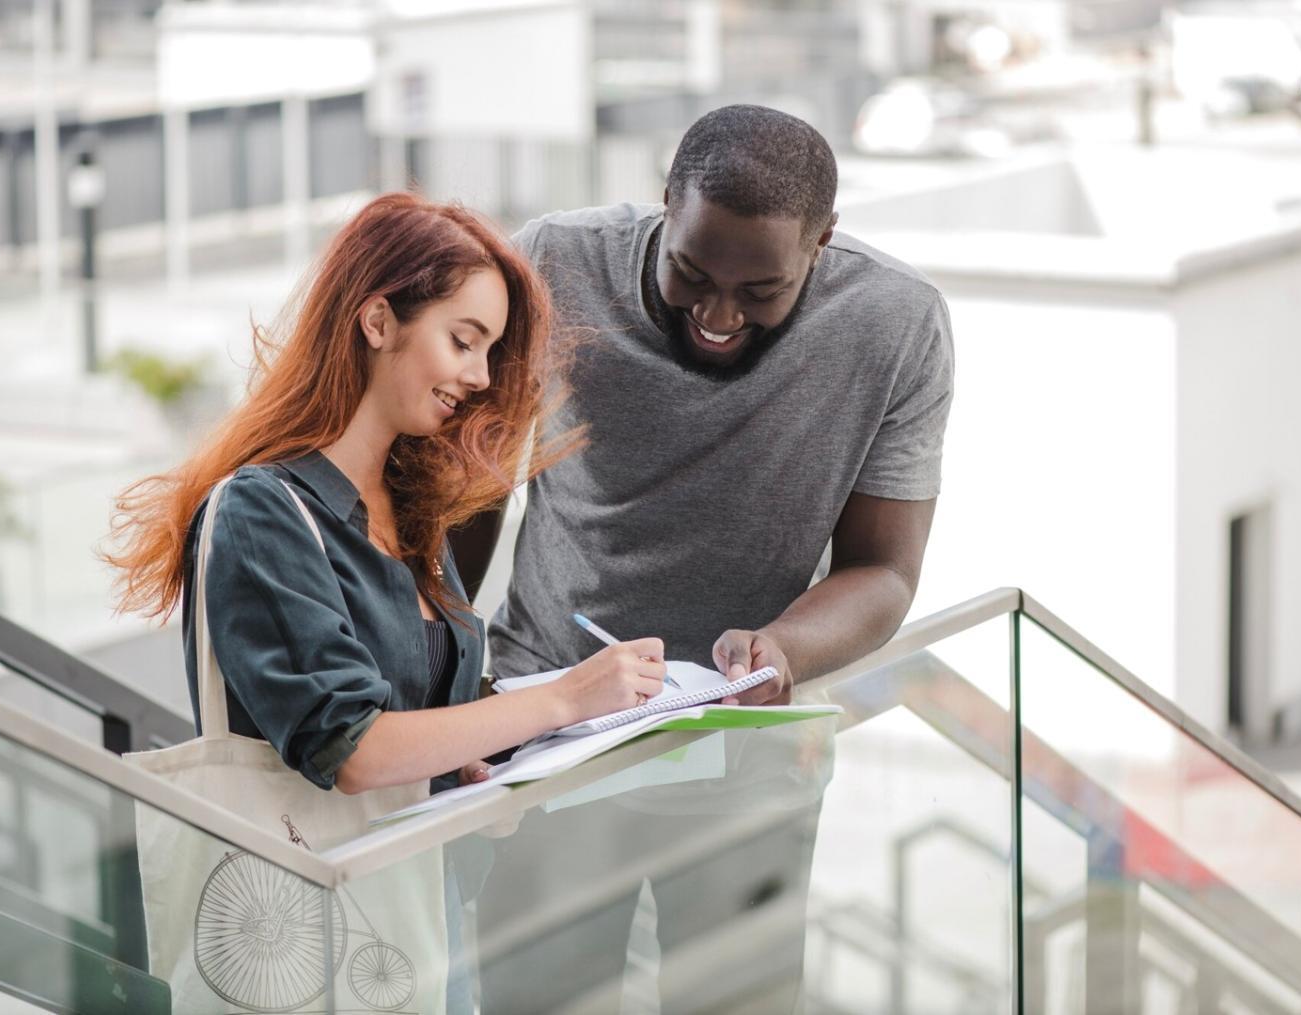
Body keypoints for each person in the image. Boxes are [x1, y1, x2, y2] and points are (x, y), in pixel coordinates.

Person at [466, 105, 954, 1011]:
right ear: (662, 204)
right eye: (690, 272)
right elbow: (469, 491)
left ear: (823, 242)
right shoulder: (553, 264)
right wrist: (444, 679)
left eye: (760, 289)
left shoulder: (895, 324)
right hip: (548, 738)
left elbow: (884, 569)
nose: (718, 314)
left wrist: (785, 650)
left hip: (745, 759)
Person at [104, 190, 669, 800]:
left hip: (414, 880)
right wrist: (564, 699)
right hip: (309, 887)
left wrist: (465, 764)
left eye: (488, 351)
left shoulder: (413, 513)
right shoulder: (262, 510)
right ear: (377, 321)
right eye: (462, 340)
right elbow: (354, 750)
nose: (480, 376)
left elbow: (414, 724)